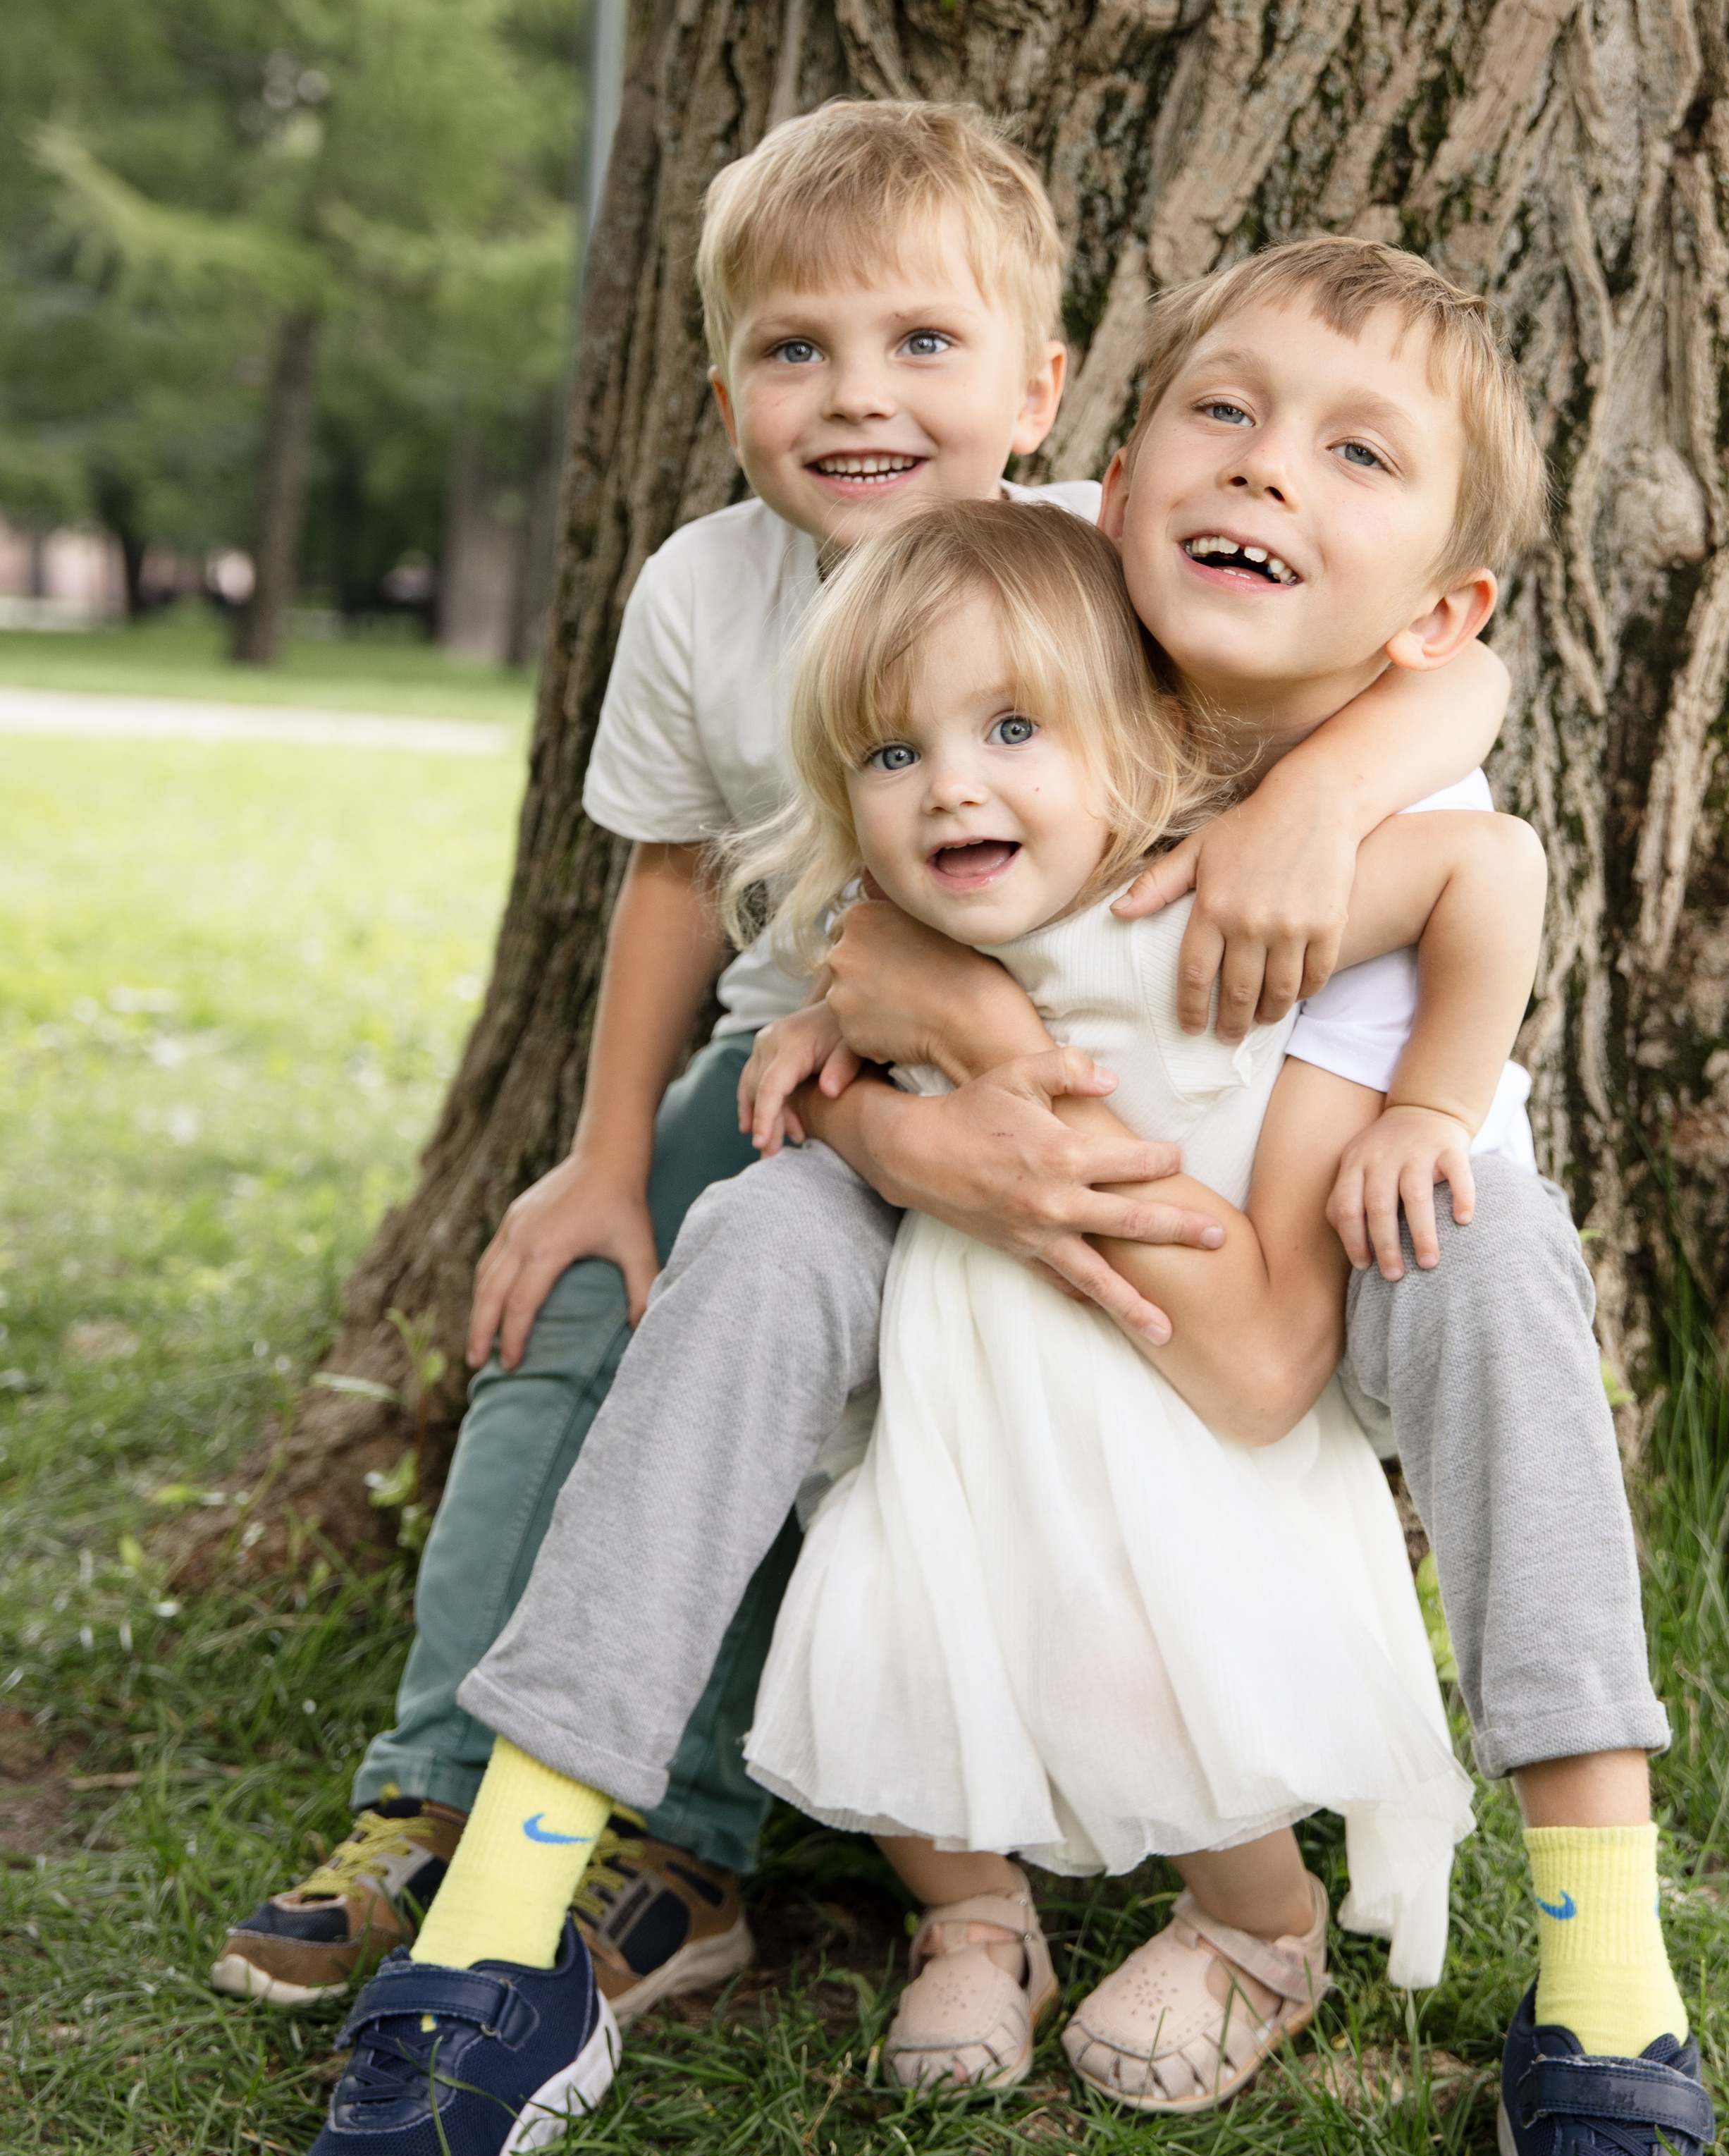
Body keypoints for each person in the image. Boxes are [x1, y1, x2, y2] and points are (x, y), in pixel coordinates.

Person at [282, 243, 1712, 2156]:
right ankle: (498, 1939)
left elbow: (1256, 1357)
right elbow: (865, 898)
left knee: (1502, 1266)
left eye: (1354, 455)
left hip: (1287, 1249)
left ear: (1432, 603)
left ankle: (1605, 2005)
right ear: (1112, 480)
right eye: (1223, 416)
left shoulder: (1400, 819)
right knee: (758, 1234)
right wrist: (899, 1104)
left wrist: (1309, 814)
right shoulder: (1055, 576)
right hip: (969, 1189)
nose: (1265, 472)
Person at [217, 116, 1506, 2024]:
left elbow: (1454, 672)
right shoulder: (701, 593)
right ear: (723, 389)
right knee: (586, 1313)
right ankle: (435, 1790)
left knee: (846, 1396)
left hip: (1070, 1049)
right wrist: (599, 1158)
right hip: (787, 1057)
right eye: (795, 351)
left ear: (1042, 397)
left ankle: (683, 1843)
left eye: (921, 345)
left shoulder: (1088, 549)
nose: (857, 397)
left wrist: (1317, 803)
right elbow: (673, 877)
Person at [730, 499, 1535, 2102]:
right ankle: (974, 1920)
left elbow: (1490, 867)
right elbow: (845, 1047)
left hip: (1162, 1422)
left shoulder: (1179, 918)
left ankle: (1259, 1927)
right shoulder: (897, 955)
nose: (951, 785)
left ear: (1134, 739)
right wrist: (818, 1041)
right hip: (954, 1420)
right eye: (892, 754)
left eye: (1012, 730)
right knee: (890, 1646)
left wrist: (1435, 1107)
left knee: (1142, 1671)